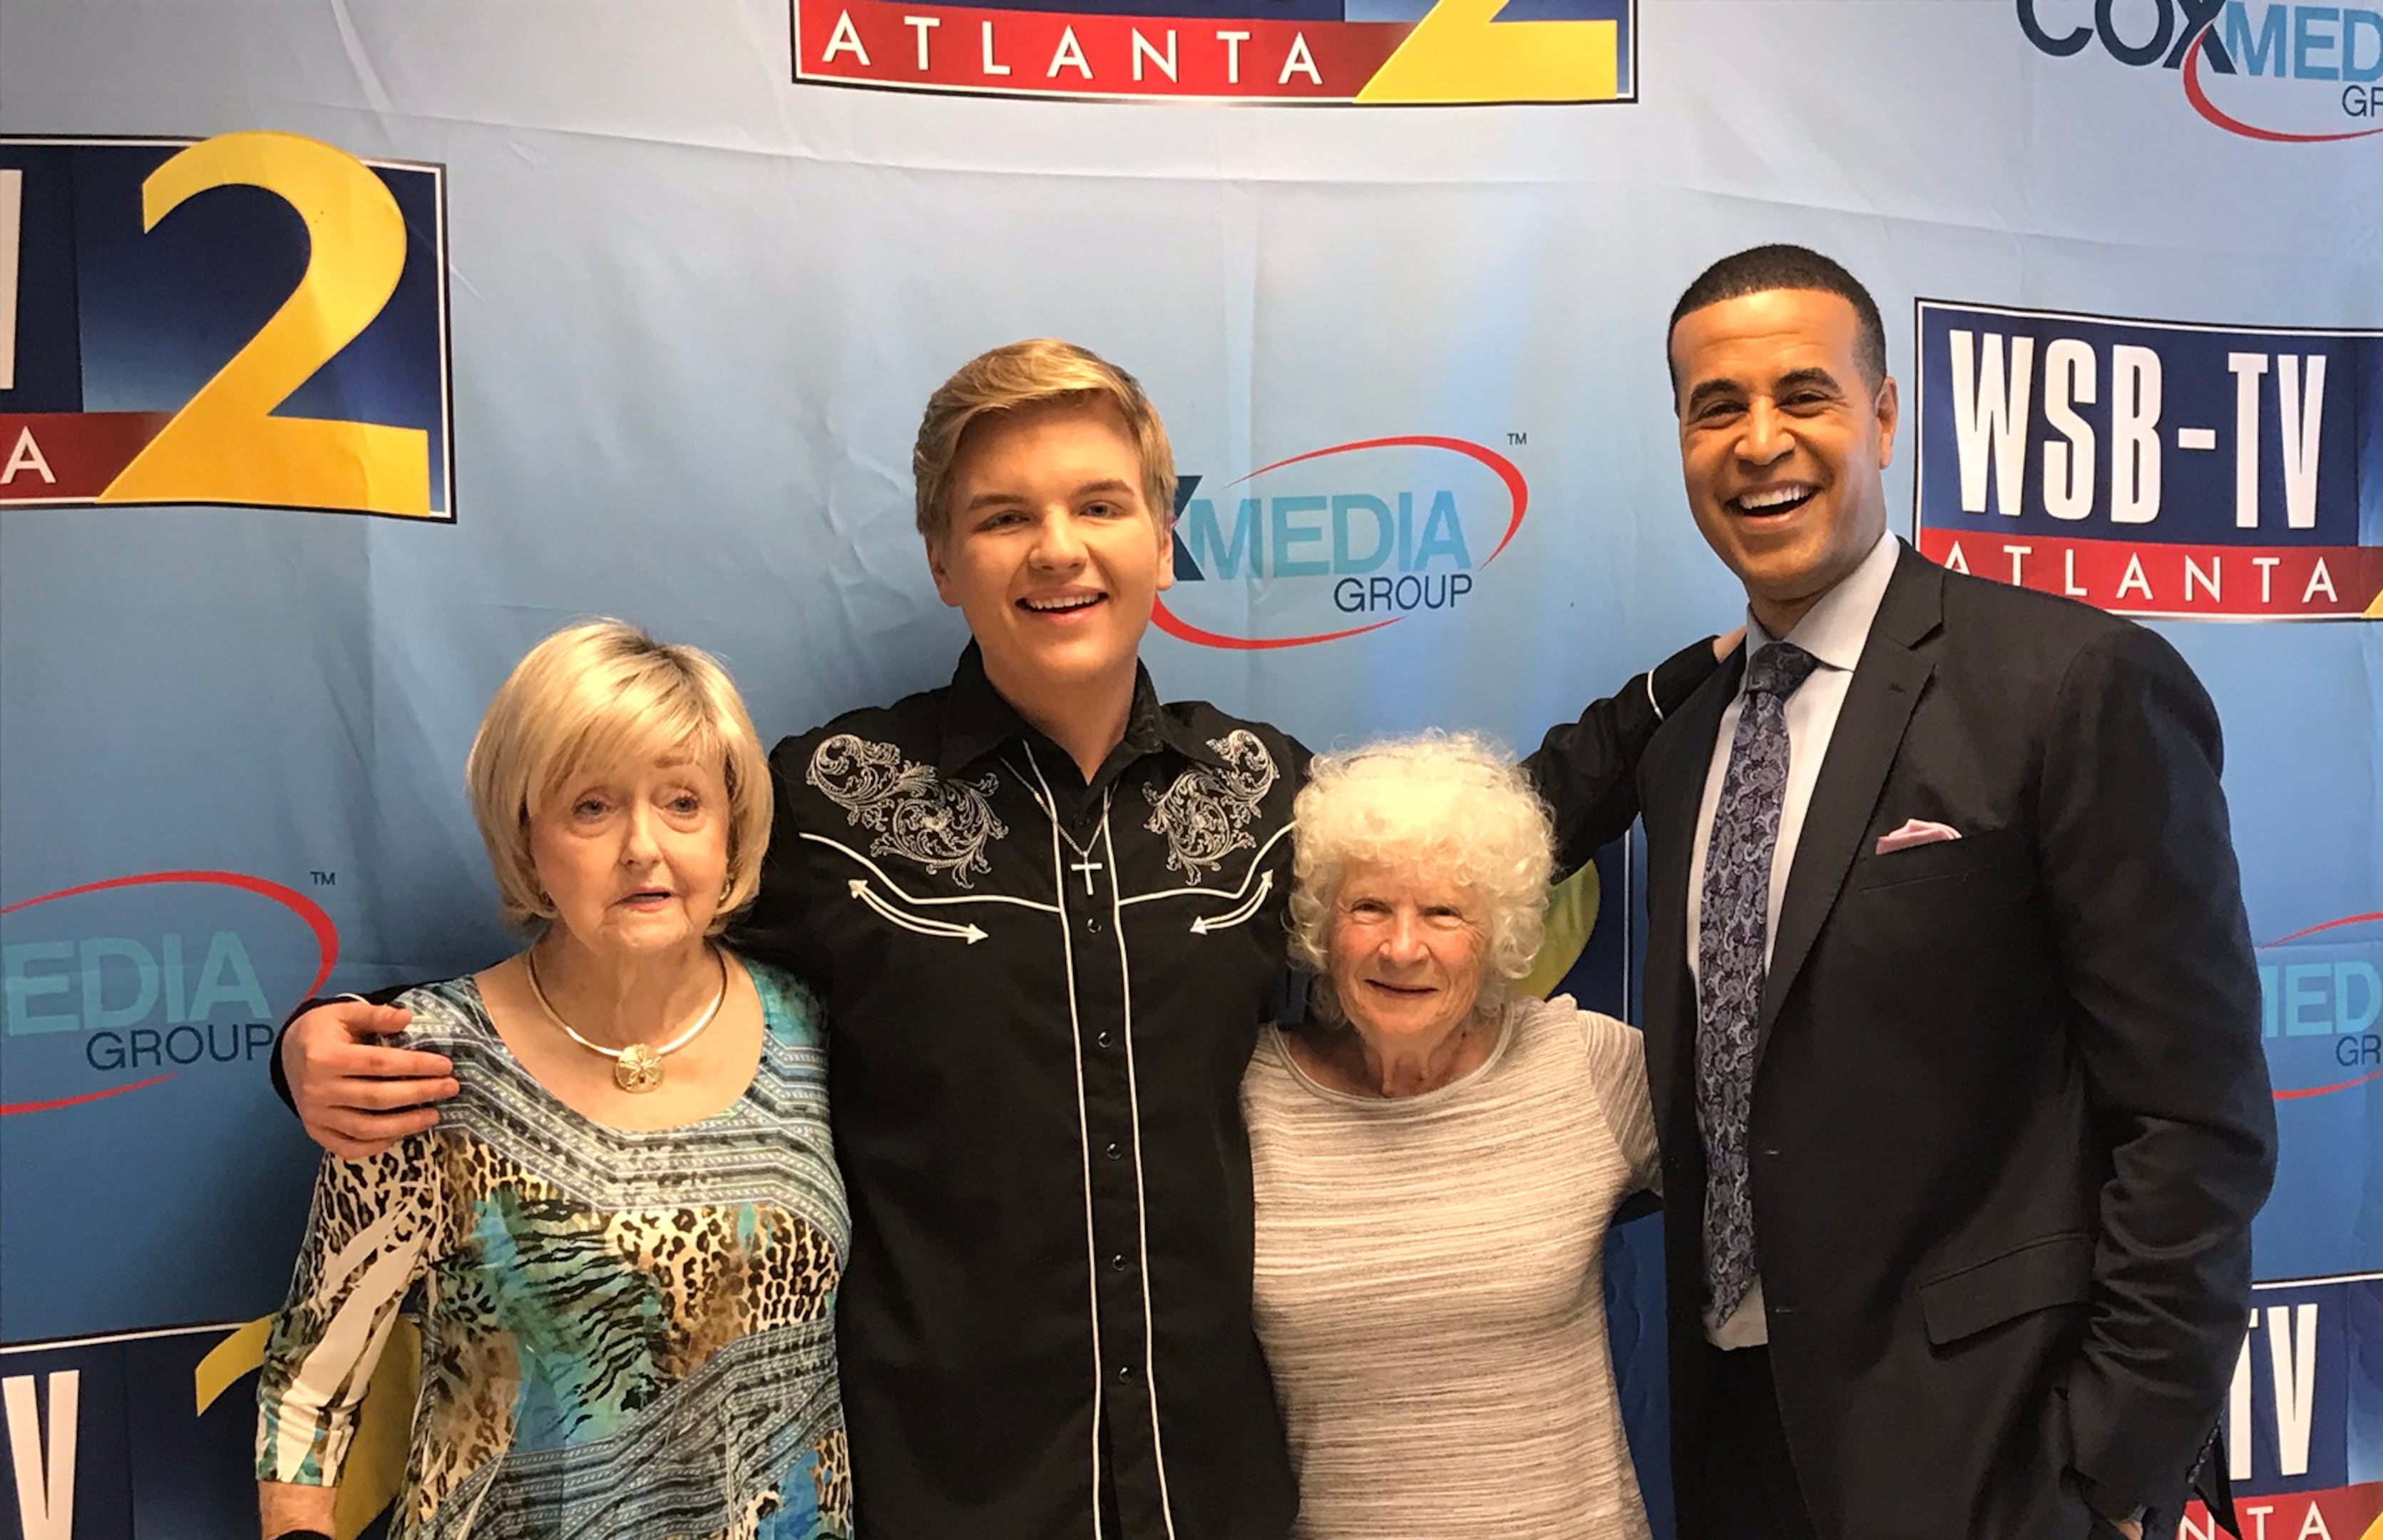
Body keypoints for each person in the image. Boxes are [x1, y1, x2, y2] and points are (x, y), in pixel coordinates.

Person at [273, 339, 1730, 1539]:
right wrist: (331, 1044)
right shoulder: (832, 800)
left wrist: (1685, 689)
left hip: (1215, 1491)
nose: (1058, 549)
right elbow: (616, 933)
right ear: (942, 558)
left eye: (1100, 505)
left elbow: (1453, 862)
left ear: (1164, 536)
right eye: (1003, 516)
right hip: (946, 1497)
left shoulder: (1258, 791)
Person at [1633, 245, 2276, 1540]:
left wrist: (2112, 1466)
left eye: (1804, 396)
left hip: (1998, 1457)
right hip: (1740, 1450)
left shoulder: (2069, 683)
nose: (1760, 443)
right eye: (1717, 408)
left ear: (1882, 416)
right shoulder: (1688, 742)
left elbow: (2195, 1118)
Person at [255, 620, 849, 1539]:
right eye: (593, 808)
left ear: (732, 832)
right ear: (528, 842)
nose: (643, 846)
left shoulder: (814, 1029)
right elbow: (311, 1383)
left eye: (683, 802)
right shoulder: (431, 1061)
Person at [1246, 736, 1658, 1539]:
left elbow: (1781, 1185)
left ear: (1497, 932)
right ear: (1321, 925)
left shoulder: (1583, 1066)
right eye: (1369, 907)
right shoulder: (1246, 1097)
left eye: (1443, 913)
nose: (1403, 948)